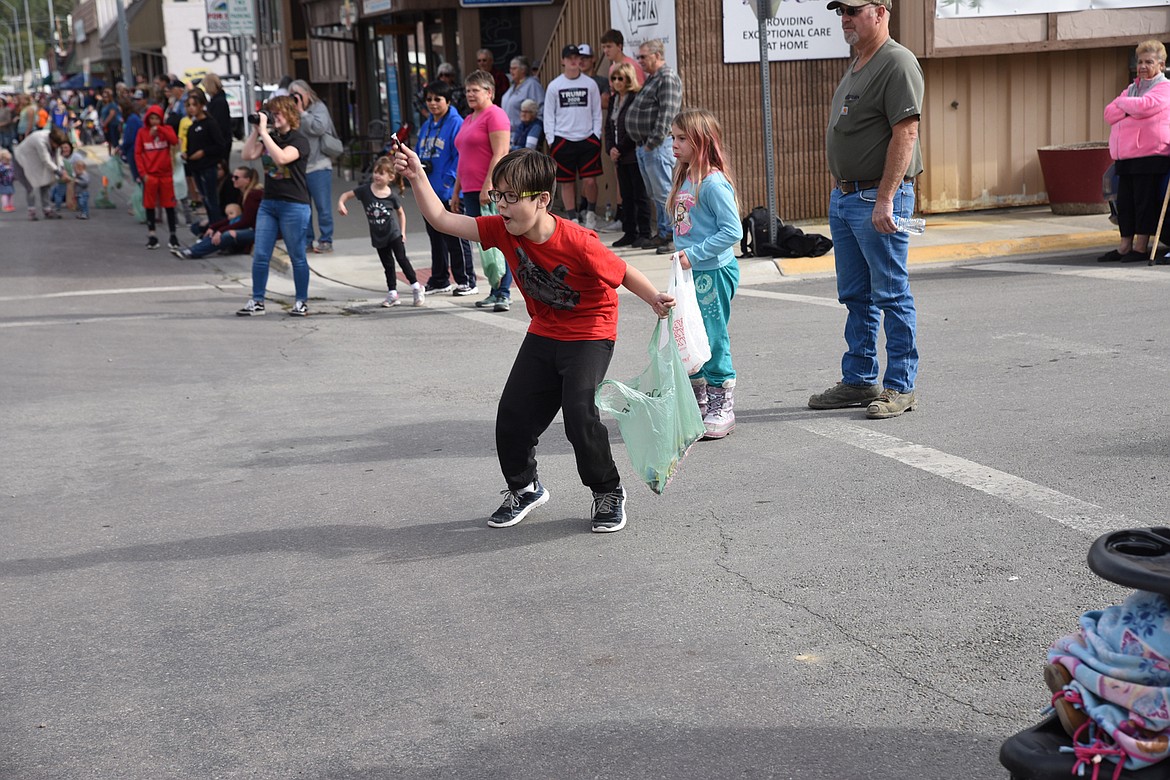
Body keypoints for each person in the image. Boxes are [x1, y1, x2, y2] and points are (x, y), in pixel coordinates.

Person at [393, 144, 676, 533]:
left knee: (579, 414)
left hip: (590, 330)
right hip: (544, 329)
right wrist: (416, 176)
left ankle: (607, 490)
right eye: (498, 195)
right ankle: (524, 488)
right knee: (512, 417)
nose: (501, 205)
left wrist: (653, 299)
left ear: (542, 199)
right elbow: (442, 219)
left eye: (511, 196)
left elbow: (623, 272)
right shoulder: (501, 230)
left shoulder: (577, 241)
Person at [807, 0, 924, 420]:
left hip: (876, 197)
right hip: (846, 198)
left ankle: (899, 386)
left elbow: (905, 133)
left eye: (854, 11)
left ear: (880, 11)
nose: (846, 19)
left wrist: (887, 199)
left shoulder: (897, 62)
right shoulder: (860, 62)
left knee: (891, 293)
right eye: (841, 12)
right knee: (856, 295)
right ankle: (858, 380)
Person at [668, 109, 744, 439]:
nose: (675, 144)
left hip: (711, 272)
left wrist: (694, 254)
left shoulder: (712, 183)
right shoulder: (684, 178)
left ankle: (721, 405)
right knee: (689, 337)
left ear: (702, 142)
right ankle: (699, 402)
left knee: (712, 337)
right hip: (688, 272)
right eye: (673, 137)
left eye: (682, 138)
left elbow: (732, 231)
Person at [237, 96, 312, 317]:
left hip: (294, 205)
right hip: (269, 204)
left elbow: (281, 158)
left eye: (277, 113)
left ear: (290, 115)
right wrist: (255, 130)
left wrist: (264, 134)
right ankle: (257, 300)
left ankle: (301, 301)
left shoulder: (300, 141)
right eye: (271, 113)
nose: (274, 117)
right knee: (260, 254)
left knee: (297, 255)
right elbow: (247, 154)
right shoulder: (268, 138)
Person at [1099, 40, 1170, 264]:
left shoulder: (1165, 87)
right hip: (1126, 155)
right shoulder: (1132, 88)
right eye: (1140, 61)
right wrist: (1130, 106)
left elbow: (1147, 106)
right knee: (1126, 204)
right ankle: (1124, 246)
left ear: (1161, 64)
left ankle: (1140, 247)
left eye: (1149, 62)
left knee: (1143, 202)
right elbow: (1109, 113)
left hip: (1151, 154)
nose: (1142, 66)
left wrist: (1125, 106)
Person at [453, 70, 511, 308]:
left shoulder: (495, 115)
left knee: (499, 239)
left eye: (475, 90)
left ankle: (504, 291)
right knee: (484, 242)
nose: (470, 94)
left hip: (487, 189)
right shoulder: (469, 119)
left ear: (489, 92)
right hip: (468, 188)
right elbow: (462, 156)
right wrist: (455, 191)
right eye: (467, 90)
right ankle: (495, 288)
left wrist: (489, 184)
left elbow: (500, 153)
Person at [338, 155, 426, 308]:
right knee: (388, 265)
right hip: (378, 236)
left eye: (382, 173)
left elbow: (401, 213)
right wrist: (341, 204)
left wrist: (403, 232)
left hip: (393, 233)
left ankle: (416, 287)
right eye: (376, 172)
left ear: (391, 177)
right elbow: (346, 195)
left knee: (401, 259)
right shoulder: (365, 191)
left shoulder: (391, 196)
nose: (377, 175)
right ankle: (392, 293)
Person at [417, 80, 475, 295]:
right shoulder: (427, 125)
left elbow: (460, 156)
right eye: (429, 99)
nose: (432, 103)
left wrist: (448, 183)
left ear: (448, 101)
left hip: (448, 190)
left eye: (437, 99)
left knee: (456, 237)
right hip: (429, 191)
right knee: (435, 237)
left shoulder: (456, 123)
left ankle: (466, 280)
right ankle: (440, 279)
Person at [625, 39, 683, 253]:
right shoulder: (653, 78)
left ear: (657, 56)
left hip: (657, 146)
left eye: (643, 57)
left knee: (667, 193)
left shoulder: (667, 78)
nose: (639, 61)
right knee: (657, 194)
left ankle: (676, 236)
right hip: (646, 146)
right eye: (638, 57)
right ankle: (663, 232)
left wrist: (652, 143)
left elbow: (668, 114)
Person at [543, 45, 604, 230]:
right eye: (569, 57)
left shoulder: (590, 84)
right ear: (563, 61)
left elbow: (597, 111)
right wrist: (552, 139)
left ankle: (591, 213)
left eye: (576, 57)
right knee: (566, 182)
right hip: (563, 139)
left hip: (587, 139)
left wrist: (596, 134)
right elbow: (548, 115)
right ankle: (572, 217)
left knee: (590, 181)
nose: (573, 61)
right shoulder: (555, 85)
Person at [605, 63, 652, 250]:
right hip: (619, 156)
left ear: (628, 79)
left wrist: (619, 148)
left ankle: (644, 232)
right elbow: (608, 127)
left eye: (620, 78)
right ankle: (630, 231)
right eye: (614, 79)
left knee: (639, 194)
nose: (617, 82)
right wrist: (610, 148)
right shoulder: (613, 99)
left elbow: (634, 128)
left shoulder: (635, 98)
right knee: (626, 195)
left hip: (632, 153)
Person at [289, 79, 338, 255]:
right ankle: (307, 241)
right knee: (304, 208)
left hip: (319, 165)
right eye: (292, 95)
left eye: (298, 95)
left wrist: (302, 112)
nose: (296, 99)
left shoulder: (318, 108)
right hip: (300, 167)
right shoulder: (291, 111)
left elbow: (318, 128)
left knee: (322, 206)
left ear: (307, 94)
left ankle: (326, 240)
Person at [175, 166, 263, 259]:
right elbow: (236, 218)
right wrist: (214, 227)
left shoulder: (253, 195)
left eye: (236, 178)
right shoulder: (244, 194)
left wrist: (222, 230)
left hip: (257, 231)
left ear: (247, 180)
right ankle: (193, 249)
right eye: (233, 176)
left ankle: (193, 252)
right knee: (213, 229)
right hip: (251, 228)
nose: (233, 179)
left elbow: (246, 221)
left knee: (226, 234)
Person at [135, 104, 181, 250]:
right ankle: (152, 234)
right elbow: (137, 153)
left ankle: (173, 235)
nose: (154, 121)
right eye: (152, 118)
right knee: (149, 205)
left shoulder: (166, 130)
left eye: (157, 118)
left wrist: (160, 129)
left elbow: (174, 140)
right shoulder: (142, 133)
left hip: (165, 174)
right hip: (151, 175)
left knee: (169, 205)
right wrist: (143, 174)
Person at [182, 89, 228, 225]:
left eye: (194, 105)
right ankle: (212, 227)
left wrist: (204, 152)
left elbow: (220, 145)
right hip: (196, 168)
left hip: (208, 166)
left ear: (201, 105)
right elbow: (191, 147)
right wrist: (187, 155)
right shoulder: (192, 126)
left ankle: (216, 226)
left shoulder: (210, 123)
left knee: (211, 199)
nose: (191, 108)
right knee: (204, 198)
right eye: (189, 105)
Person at [13, 125, 69, 220]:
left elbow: (58, 156)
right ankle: (32, 212)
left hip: (36, 160)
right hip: (23, 159)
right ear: (52, 141)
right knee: (30, 185)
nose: (57, 147)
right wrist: (59, 173)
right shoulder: (39, 140)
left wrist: (62, 169)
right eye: (57, 145)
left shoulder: (55, 141)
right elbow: (46, 160)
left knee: (46, 182)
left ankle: (47, 210)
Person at [500, 56, 544, 132]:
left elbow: (541, 109)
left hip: (524, 134)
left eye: (514, 68)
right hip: (508, 134)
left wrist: (535, 130)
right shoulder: (512, 87)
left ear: (523, 70)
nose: (511, 71)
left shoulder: (532, 85)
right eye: (510, 68)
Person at [200, 74, 234, 147]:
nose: (205, 89)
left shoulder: (218, 102)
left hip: (220, 141)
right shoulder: (218, 100)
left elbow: (218, 123)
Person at [577, 44, 611, 111]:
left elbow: (605, 103)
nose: (581, 62)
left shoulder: (603, 81)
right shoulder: (573, 81)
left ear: (593, 59)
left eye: (584, 58)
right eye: (578, 59)